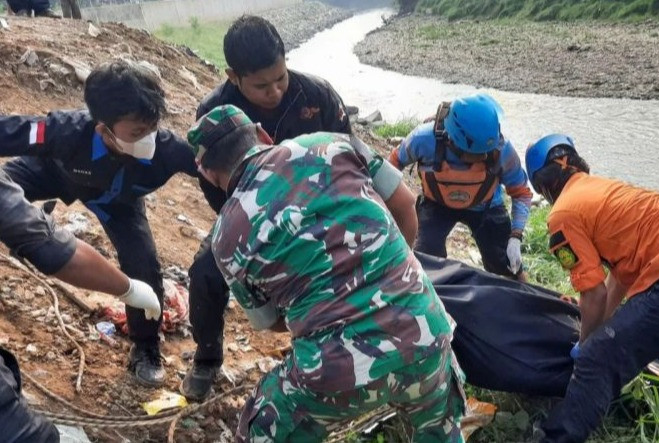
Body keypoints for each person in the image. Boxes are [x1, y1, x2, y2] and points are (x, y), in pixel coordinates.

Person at [187, 105, 464, 442]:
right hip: (427, 334)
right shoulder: (331, 144)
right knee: (439, 427)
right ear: (262, 134)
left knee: (262, 428)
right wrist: (392, 271)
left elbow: (269, 322)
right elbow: (406, 205)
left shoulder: (224, 237)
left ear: (208, 174)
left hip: (336, 370)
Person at [181, 14, 419, 401]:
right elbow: (219, 190)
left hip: (329, 205)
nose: (274, 92)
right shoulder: (217, 112)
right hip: (261, 216)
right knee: (207, 271)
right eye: (261, 86)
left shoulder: (316, 95)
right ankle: (207, 358)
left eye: (280, 78)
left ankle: (375, 308)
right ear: (233, 76)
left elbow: (356, 164)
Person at [0, 60, 206, 387]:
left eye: (152, 127)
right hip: (56, 174)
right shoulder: (66, 131)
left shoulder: (168, 151)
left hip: (116, 203)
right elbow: (10, 131)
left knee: (144, 264)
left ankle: (145, 346)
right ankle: (30, 234)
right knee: (4, 194)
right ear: (103, 129)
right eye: (137, 132)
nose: (148, 138)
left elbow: (219, 167)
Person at [524, 134, 659, 442]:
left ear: (543, 187)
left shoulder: (563, 214)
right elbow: (621, 275)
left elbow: (593, 292)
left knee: (599, 357)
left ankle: (555, 437)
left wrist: (587, 345)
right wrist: (606, 329)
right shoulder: (602, 188)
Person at [0, 169, 161, 442]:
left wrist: (129, 289)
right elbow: (52, 247)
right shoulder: (65, 139)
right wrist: (129, 288)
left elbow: (48, 243)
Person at [388, 94, 532, 281]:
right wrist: (392, 208)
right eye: (475, 154)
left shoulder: (501, 149)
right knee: (426, 258)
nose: (483, 157)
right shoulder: (423, 139)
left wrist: (516, 236)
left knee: (507, 265)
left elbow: (521, 192)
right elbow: (392, 166)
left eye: (485, 153)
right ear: (453, 140)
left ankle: (525, 297)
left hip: (486, 206)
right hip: (437, 205)